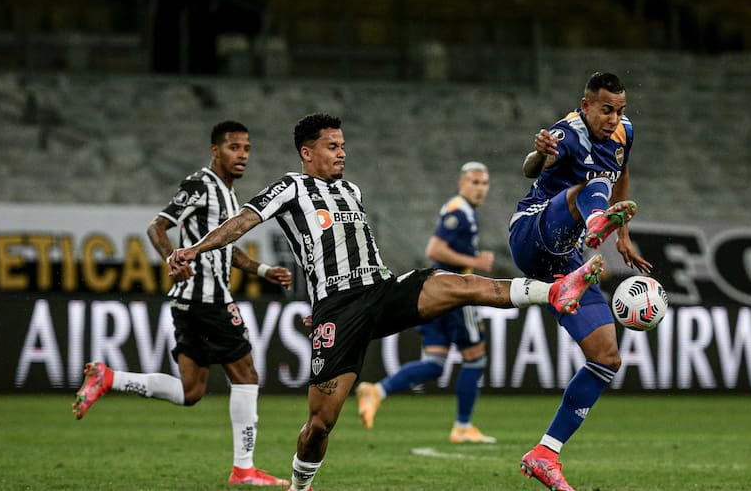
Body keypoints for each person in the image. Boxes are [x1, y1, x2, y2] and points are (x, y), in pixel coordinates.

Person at [167, 113, 604, 491]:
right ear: (306, 152)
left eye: (343, 145)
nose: (341, 153)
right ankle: (301, 484)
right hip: (338, 309)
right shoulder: (290, 188)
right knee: (321, 424)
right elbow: (243, 221)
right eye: (331, 146)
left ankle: (555, 290)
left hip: (382, 289)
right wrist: (193, 249)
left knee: (457, 285)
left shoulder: (352, 191)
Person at [72, 120, 293, 487]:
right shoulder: (200, 185)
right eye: (234, 147)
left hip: (187, 304)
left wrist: (263, 269)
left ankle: (109, 377)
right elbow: (157, 227)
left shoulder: (227, 194)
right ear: (215, 151)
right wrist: (172, 258)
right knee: (246, 375)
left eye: (247, 148)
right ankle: (244, 469)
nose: (242, 155)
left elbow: (225, 247)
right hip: (207, 299)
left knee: (190, 392)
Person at [508, 72, 653, 491]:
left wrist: (623, 237)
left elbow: (619, 176)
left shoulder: (624, 133)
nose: (613, 118)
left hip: (567, 259)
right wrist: (539, 154)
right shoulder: (567, 131)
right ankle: (595, 224)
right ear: (586, 105)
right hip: (532, 233)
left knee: (607, 357)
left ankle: (545, 454)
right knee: (585, 187)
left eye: (620, 110)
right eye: (605, 109)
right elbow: (531, 167)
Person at [355, 161, 498, 444]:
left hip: (437, 291)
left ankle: (377, 391)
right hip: (457, 291)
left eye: (484, 183)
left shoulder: (461, 209)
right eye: (474, 182)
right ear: (462, 184)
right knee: (475, 357)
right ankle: (462, 426)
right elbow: (434, 249)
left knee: (434, 362)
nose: (480, 188)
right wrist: (475, 261)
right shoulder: (459, 212)